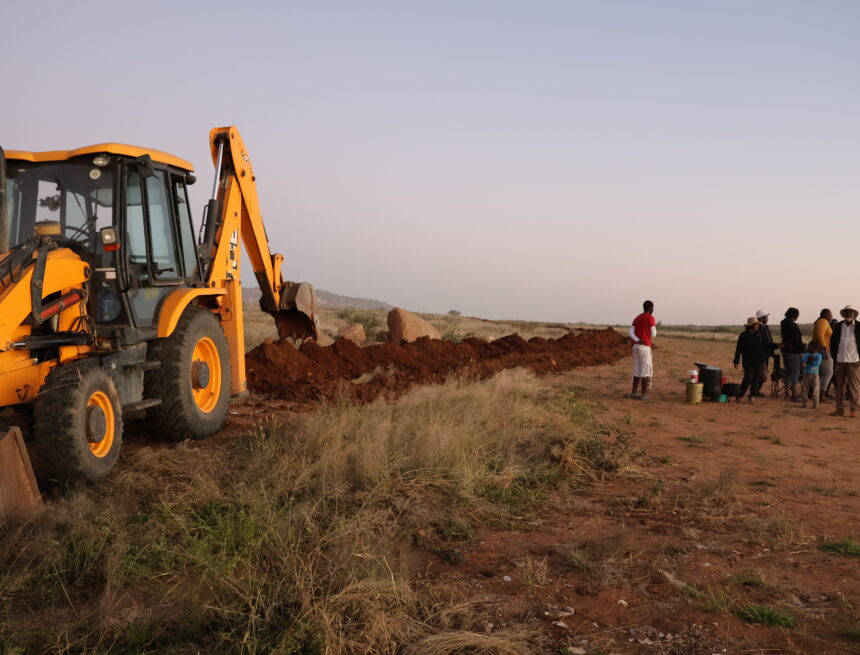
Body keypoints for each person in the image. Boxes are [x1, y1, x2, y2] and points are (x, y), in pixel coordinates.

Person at [829, 305, 860, 418]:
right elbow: (832, 343)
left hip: (854, 361)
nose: (848, 314)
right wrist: (835, 357)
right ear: (844, 314)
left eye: (850, 312)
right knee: (839, 387)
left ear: (853, 314)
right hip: (840, 360)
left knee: (854, 387)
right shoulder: (838, 326)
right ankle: (839, 409)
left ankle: (853, 410)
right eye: (846, 312)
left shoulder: (858, 326)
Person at [628, 300, 656, 401]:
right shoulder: (650, 318)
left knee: (637, 370)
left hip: (635, 347)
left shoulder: (637, 318)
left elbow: (630, 333)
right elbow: (653, 334)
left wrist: (637, 340)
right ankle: (643, 395)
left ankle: (633, 393)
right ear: (651, 308)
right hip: (645, 347)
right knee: (645, 370)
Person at [733, 317, 764, 403]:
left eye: (758, 324)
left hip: (759, 360)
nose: (757, 326)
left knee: (757, 378)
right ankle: (740, 394)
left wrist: (777, 346)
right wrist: (736, 360)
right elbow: (739, 349)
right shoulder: (743, 335)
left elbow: (766, 345)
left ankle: (752, 395)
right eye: (755, 324)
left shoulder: (759, 334)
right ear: (751, 325)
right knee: (749, 377)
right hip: (748, 361)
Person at [780, 307, 804, 402]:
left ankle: (787, 393)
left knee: (788, 372)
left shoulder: (783, 323)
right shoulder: (792, 325)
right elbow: (795, 340)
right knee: (795, 372)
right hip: (793, 351)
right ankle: (793, 394)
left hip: (785, 350)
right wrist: (802, 348)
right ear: (795, 315)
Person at [754, 309, 777, 396]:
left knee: (762, 373)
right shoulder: (760, 329)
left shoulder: (765, 327)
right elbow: (766, 342)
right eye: (765, 316)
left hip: (765, 354)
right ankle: (755, 391)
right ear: (760, 318)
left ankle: (756, 390)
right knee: (760, 373)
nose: (767, 318)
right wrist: (776, 346)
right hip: (761, 354)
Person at [812, 309, 834, 403]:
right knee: (828, 373)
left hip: (821, 350)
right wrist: (825, 349)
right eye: (830, 314)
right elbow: (820, 336)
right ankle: (821, 395)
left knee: (822, 374)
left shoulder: (821, 322)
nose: (832, 315)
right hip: (823, 350)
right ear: (825, 314)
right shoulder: (823, 322)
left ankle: (818, 394)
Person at [800, 343, 823, 409]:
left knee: (815, 389)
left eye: (812, 347)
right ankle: (805, 404)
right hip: (807, 373)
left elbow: (816, 364)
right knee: (805, 389)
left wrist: (809, 360)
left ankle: (815, 405)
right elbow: (802, 360)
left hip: (814, 374)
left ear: (816, 348)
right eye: (810, 347)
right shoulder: (808, 355)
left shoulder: (819, 356)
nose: (811, 348)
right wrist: (811, 359)